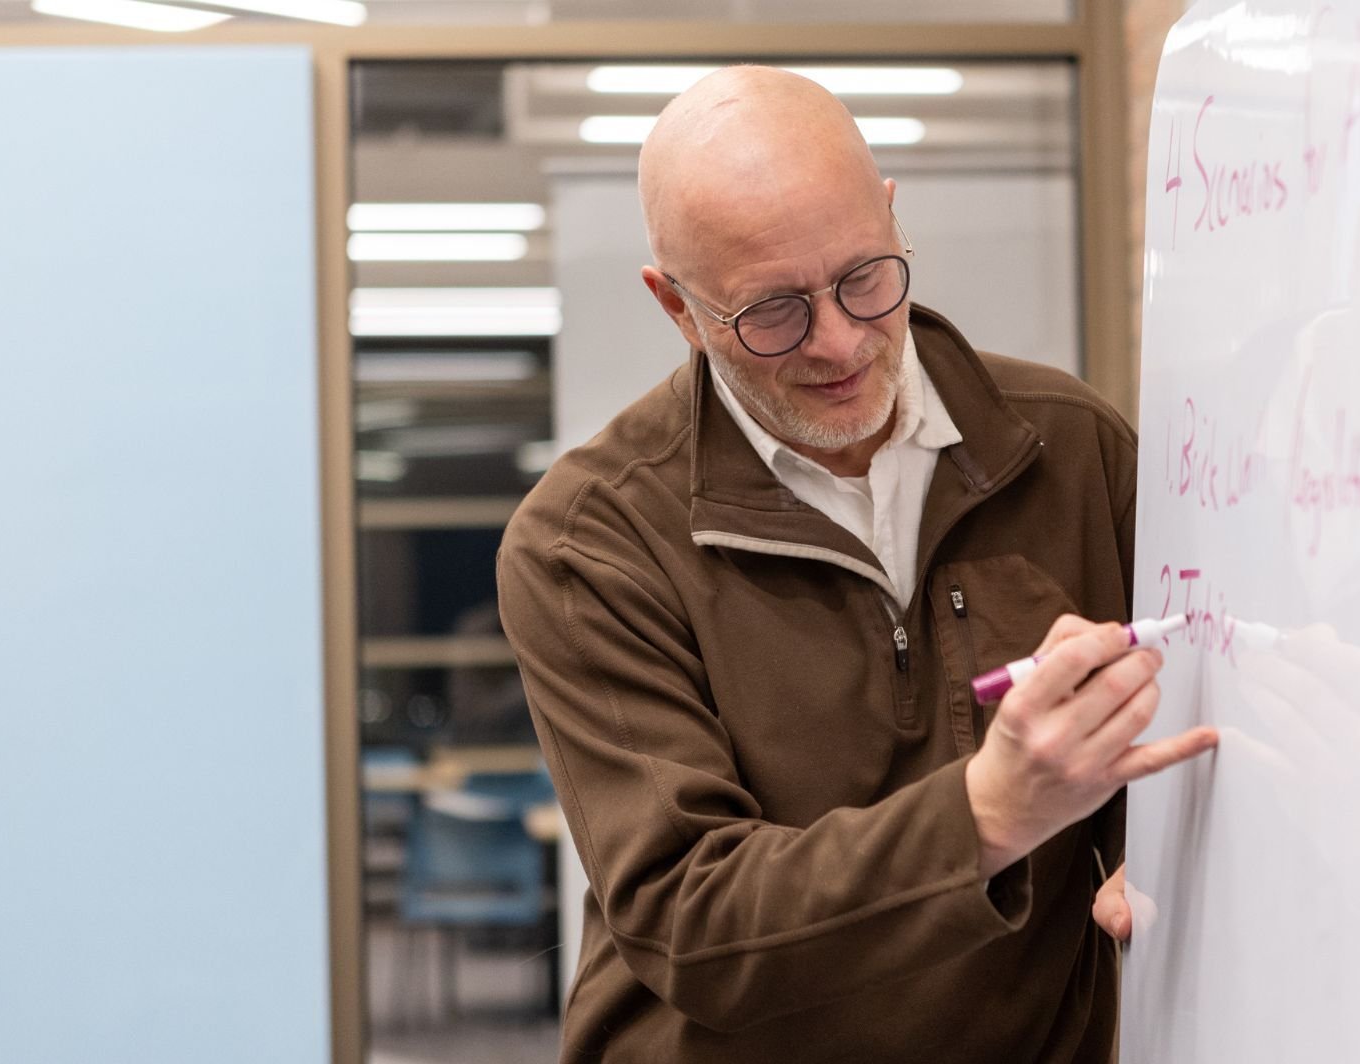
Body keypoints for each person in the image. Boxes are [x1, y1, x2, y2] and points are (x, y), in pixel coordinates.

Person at [497, 65, 1217, 1063]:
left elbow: (1184, 735)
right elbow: (689, 917)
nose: (837, 343)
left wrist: (1159, 855)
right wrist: (985, 813)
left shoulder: (1075, 449)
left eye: (864, 278)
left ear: (890, 215)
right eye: (772, 311)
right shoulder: (589, 540)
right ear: (678, 308)